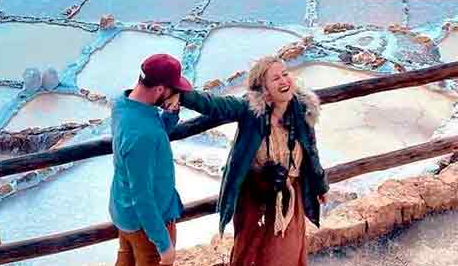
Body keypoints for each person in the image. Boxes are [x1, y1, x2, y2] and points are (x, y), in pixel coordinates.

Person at [164, 55, 329, 266]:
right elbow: (216, 105)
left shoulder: (301, 109)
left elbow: (311, 151)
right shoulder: (250, 109)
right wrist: (183, 96)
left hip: (289, 194)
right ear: (264, 89)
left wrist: (320, 185)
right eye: (275, 78)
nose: (284, 81)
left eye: (285, 74)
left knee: (284, 253)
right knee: (249, 251)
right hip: (254, 193)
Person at [110, 53, 193, 266]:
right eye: (173, 90)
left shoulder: (123, 104)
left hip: (123, 211)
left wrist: (171, 113)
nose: (177, 93)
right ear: (159, 90)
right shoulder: (143, 135)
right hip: (148, 225)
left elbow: (150, 135)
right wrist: (164, 246)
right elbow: (143, 197)